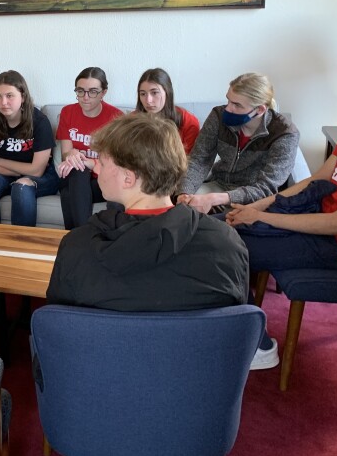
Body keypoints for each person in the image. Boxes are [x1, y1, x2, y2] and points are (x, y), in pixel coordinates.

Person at [227, 36, 337, 370]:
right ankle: (233, 326)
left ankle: (259, 347)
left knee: (230, 249)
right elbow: (318, 179)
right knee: (220, 231)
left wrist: (264, 218)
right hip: (317, 216)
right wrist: (260, 207)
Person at [47, 113, 248, 311]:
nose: (96, 169)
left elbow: (59, 318)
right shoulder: (227, 243)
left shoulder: (77, 248)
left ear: (128, 178)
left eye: (101, 161)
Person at [177, 73, 299, 214]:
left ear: (260, 110)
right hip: (218, 186)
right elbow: (199, 160)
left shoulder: (284, 134)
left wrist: (217, 199)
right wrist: (185, 193)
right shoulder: (218, 116)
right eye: (228, 100)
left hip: (255, 201)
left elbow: (266, 188)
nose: (228, 109)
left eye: (236, 105)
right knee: (181, 210)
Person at [0, 70, 59, 227]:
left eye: (9, 96)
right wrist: (18, 171)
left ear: (23, 96)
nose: (3, 102)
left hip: (41, 177)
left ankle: (22, 245)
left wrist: (0, 160)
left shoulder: (39, 122)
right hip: (2, 174)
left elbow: (37, 171)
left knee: (21, 187)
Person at [56, 67, 123, 229]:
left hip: (101, 180)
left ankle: (75, 236)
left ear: (103, 92)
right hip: (74, 177)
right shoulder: (68, 112)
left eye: (92, 91)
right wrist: (71, 154)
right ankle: (84, 236)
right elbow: (65, 154)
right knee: (78, 170)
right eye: (80, 91)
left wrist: (90, 162)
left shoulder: (116, 117)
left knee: (68, 194)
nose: (85, 98)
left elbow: (115, 162)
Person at [135, 67, 200, 154]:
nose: (148, 100)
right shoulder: (131, 121)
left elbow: (191, 161)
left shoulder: (189, 121)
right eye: (143, 94)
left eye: (154, 93)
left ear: (167, 92)